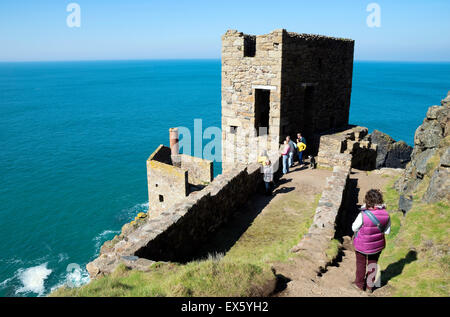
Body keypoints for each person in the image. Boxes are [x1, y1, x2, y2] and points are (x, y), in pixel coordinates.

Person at [352, 189, 391, 292]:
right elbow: (387, 231)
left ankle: (359, 285)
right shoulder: (386, 215)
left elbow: (354, 228)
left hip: (362, 245)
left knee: (361, 263)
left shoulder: (363, 214)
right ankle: (370, 287)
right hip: (377, 245)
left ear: (367, 200)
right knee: (373, 263)